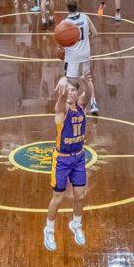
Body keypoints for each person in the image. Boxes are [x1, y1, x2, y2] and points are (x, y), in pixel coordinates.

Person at [42, 76, 89, 252]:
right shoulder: (61, 110)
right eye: (68, 89)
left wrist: (87, 82)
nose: (70, 92)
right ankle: (49, 229)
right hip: (62, 159)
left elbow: (89, 95)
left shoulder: (81, 107)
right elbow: (61, 102)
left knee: (80, 195)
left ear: (77, 93)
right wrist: (62, 84)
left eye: (73, 90)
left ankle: (76, 224)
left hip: (78, 157)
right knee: (58, 198)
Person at [61, 0, 97, 114]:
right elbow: (95, 33)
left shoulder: (65, 23)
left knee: (71, 81)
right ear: (78, 6)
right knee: (87, 78)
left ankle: (71, 107)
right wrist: (85, 38)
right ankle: (93, 103)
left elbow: (61, 42)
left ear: (67, 8)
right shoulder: (85, 17)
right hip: (85, 52)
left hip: (72, 55)